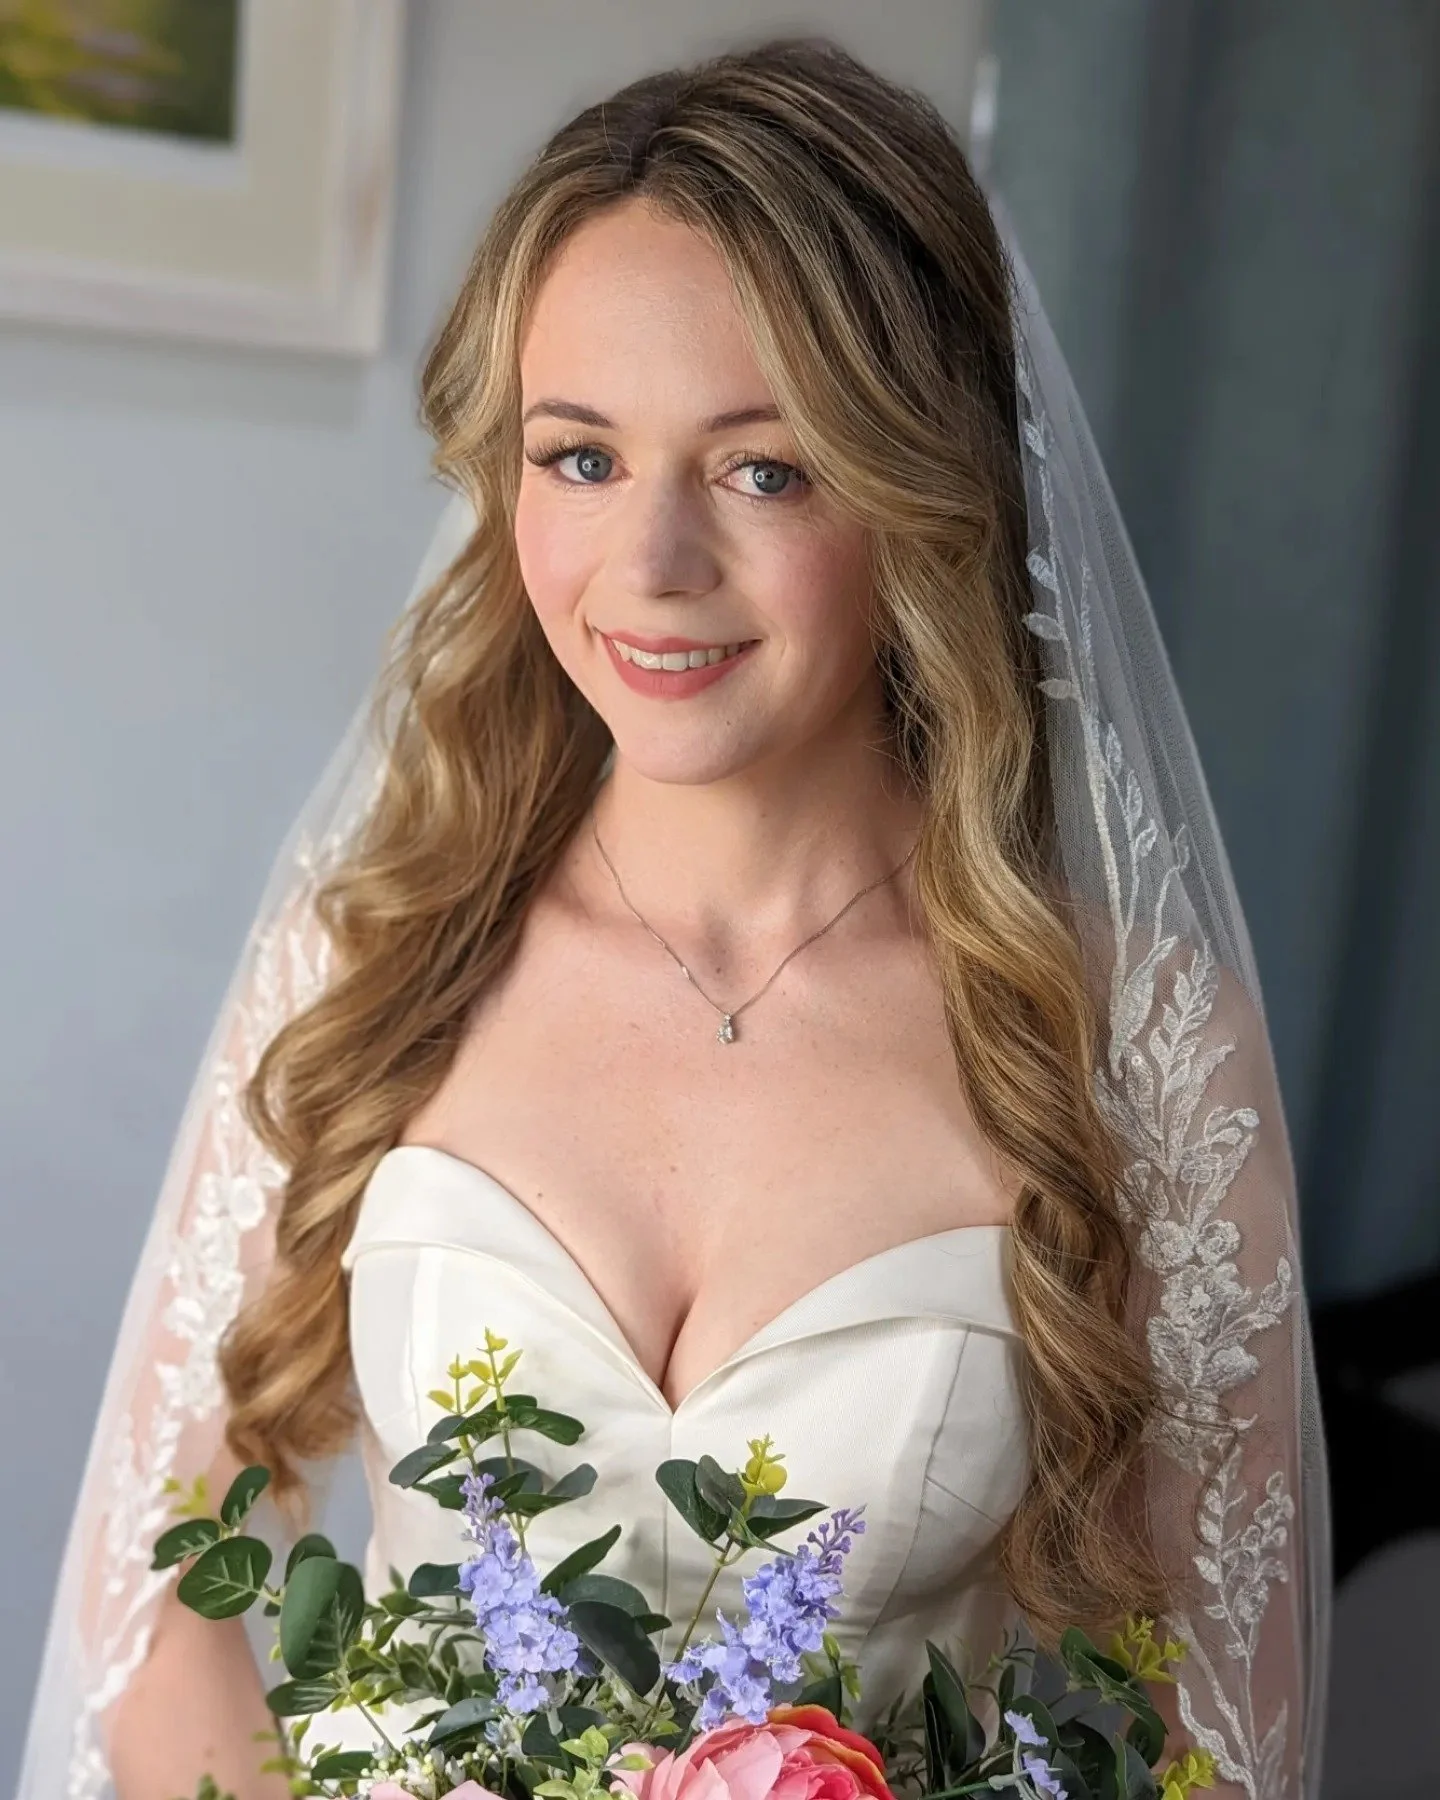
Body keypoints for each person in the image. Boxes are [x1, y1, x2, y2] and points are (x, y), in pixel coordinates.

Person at [18, 34, 1329, 1800]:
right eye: (579, 458)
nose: (650, 567)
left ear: (922, 489)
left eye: (763, 469)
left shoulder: (1135, 1046)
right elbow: (152, 1608)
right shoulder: (373, 959)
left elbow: (1220, 1743)